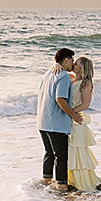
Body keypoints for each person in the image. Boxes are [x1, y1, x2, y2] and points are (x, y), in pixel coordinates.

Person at [36, 48, 83, 191]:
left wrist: (55, 64)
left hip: (42, 121)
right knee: (61, 156)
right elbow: (60, 100)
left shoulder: (48, 73)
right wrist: (74, 115)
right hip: (56, 123)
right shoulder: (62, 76)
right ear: (66, 60)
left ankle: (46, 180)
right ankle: (62, 185)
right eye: (72, 60)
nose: (73, 63)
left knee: (49, 153)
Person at [67, 56, 99, 192]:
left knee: (77, 150)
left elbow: (85, 104)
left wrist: (70, 112)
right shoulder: (71, 79)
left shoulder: (86, 84)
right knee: (68, 151)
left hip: (75, 119)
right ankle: (70, 180)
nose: (73, 64)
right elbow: (58, 70)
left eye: (77, 64)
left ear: (83, 68)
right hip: (68, 117)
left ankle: (80, 183)